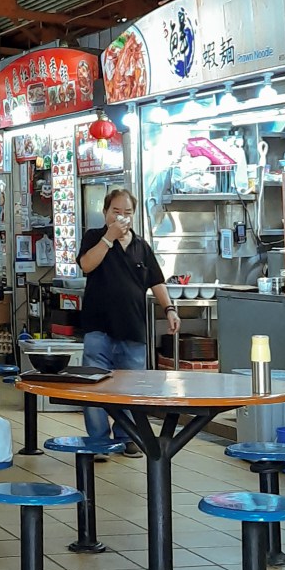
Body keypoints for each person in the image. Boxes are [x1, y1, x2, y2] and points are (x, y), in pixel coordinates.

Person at [77, 188, 180, 458]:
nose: (121, 217)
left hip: (133, 329)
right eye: (116, 212)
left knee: (131, 389)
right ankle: (99, 441)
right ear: (105, 213)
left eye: (127, 213)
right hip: (98, 327)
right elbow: (86, 265)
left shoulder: (141, 247)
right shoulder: (94, 237)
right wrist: (108, 238)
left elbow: (156, 281)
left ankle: (130, 437)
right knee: (95, 389)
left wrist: (169, 309)